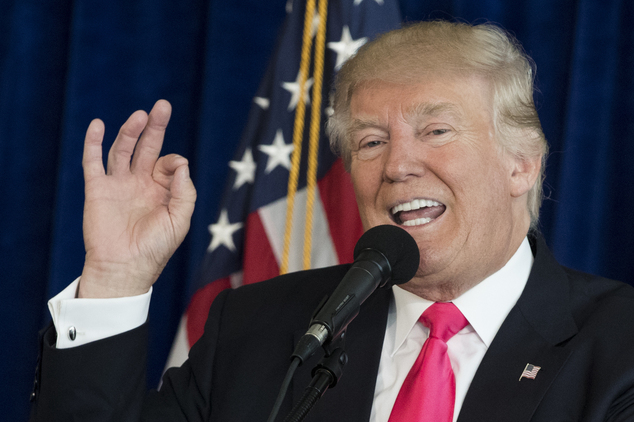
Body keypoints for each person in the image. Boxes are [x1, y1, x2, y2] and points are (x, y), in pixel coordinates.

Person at [30, 21, 634, 422]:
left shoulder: (618, 347)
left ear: (521, 164)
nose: (397, 165)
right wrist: (115, 275)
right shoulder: (260, 330)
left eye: (436, 132)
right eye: (370, 142)